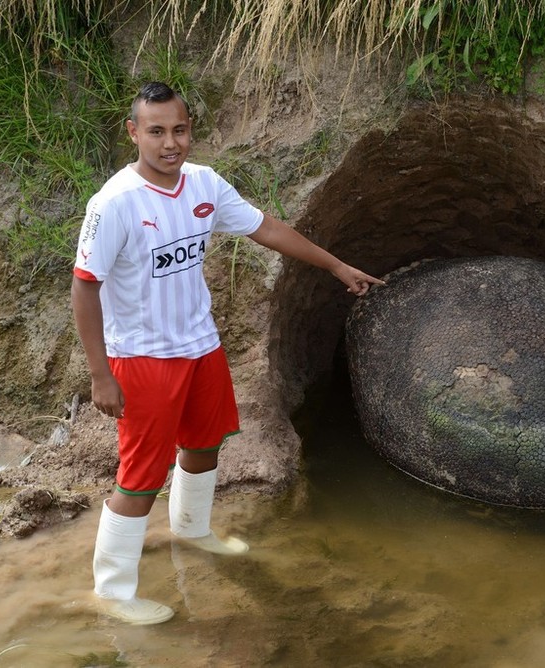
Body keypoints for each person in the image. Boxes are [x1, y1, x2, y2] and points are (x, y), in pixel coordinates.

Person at [71, 81, 384, 625]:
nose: (171, 143)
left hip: (201, 347)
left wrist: (335, 266)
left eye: (180, 130)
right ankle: (113, 593)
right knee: (140, 477)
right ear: (134, 133)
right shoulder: (115, 204)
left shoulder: (204, 185)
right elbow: (85, 287)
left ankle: (192, 532)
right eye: (157, 132)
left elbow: (266, 228)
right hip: (143, 359)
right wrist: (102, 375)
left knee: (205, 447)